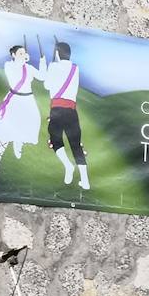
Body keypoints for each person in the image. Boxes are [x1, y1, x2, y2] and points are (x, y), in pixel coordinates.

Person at [0, 44, 46, 173]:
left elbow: (42, 77)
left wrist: (43, 62)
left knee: (28, 123)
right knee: (7, 129)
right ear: (13, 55)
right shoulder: (9, 66)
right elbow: (14, 76)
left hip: (28, 100)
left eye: (24, 53)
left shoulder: (29, 68)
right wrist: (23, 61)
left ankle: (18, 142)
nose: (23, 55)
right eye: (20, 53)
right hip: (14, 100)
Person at [44, 41, 90, 190]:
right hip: (71, 110)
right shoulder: (75, 68)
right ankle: (85, 180)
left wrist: (50, 67)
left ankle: (68, 166)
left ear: (57, 53)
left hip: (57, 108)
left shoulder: (53, 66)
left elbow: (47, 85)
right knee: (76, 144)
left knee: (55, 139)